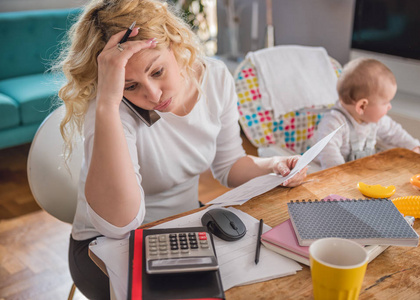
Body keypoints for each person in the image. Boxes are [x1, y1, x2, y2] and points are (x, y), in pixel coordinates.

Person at [54, 0, 308, 298]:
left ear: (174, 43)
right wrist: (109, 104)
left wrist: (273, 164)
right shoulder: (110, 109)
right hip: (104, 246)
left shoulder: (215, 78)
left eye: (157, 71)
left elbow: (229, 166)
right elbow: (120, 223)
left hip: (185, 225)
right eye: (131, 86)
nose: (152, 94)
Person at [314, 57, 420, 169]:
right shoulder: (334, 122)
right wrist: (341, 177)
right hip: (329, 174)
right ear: (362, 106)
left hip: (358, 173)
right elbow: (328, 153)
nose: (390, 106)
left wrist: (412, 147)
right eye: (385, 102)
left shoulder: (376, 120)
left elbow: (395, 132)